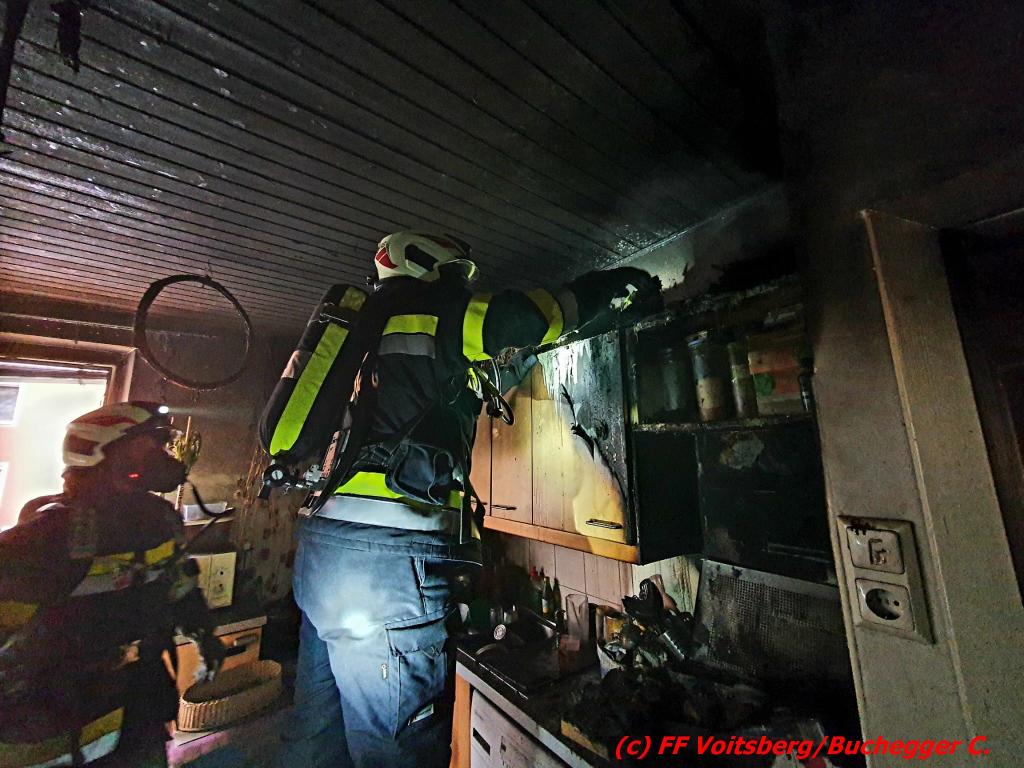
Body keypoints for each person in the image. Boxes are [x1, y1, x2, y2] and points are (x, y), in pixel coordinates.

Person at [274, 231, 659, 768]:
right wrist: (614, 284)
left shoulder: (363, 335)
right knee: (396, 753)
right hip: (387, 569)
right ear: (430, 266)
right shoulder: (436, 313)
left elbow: (473, 381)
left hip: (323, 554)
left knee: (317, 739)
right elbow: (533, 317)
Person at [0, 401, 224, 768]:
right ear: (100, 450)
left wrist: (204, 633)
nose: (162, 457)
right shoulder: (49, 535)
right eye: (148, 446)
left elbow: (178, 583)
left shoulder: (159, 520)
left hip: (139, 707)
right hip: (57, 718)